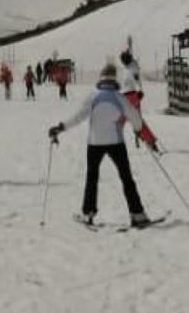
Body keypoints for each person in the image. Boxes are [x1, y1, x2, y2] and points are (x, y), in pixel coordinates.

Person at [48, 63, 157, 227]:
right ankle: (137, 214)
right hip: (116, 142)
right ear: (115, 79)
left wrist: (61, 127)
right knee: (127, 178)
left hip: (95, 143)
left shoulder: (93, 96)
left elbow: (77, 117)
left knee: (92, 178)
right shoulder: (119, 98)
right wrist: (143, 134)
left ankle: (88, 213)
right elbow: (135, 118)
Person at [119, 49, 159, 150]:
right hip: (129, 95)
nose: (123, 62)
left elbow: (136, 80)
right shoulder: (128, 68)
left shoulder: (132, 68)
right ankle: (150, 140)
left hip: (130, 96)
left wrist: (140, 91)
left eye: (124, 59)